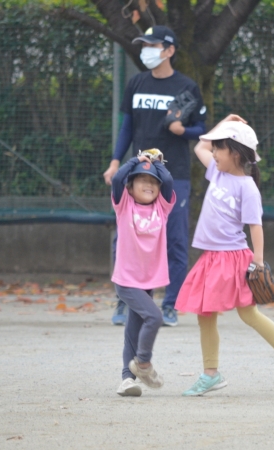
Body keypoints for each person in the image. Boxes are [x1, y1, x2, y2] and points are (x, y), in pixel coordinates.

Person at [175, 115, 274, 396]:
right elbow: (200, 146)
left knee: (248, 313)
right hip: (212, 257)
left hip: (233, 258)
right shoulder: (216, 172)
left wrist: (258, 262)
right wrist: (224, 123)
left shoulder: (247, 187)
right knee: (205, 314)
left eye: (219, 148)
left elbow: (255, 226)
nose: (213, 153)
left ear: (235, 153)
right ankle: (211, 374)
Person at [103, 26, 207, 327]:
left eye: (153, 45)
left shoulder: (187, 86)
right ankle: (126, 300)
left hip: (175, 176)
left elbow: (202, 129)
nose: (146, 50)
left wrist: (182, 130)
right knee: (126, 239)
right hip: (139, 176)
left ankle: (170, 305)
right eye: (144, 45)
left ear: (170, 50)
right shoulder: (136, 83)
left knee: (175, 240)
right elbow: (127, 127)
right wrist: (115, 162)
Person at [112, 154, 176, 397]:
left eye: (153, 181)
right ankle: (143, 363)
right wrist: (135, 159)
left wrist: (157, 162)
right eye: (142, 180)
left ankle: (126, 380)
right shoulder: (124, 205)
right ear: (130, 187)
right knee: (154, 317)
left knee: (133, 330)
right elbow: (117, 178)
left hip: (148, 280)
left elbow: (168, 181)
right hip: (127, 280)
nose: (149, 185)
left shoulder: (162, 207)